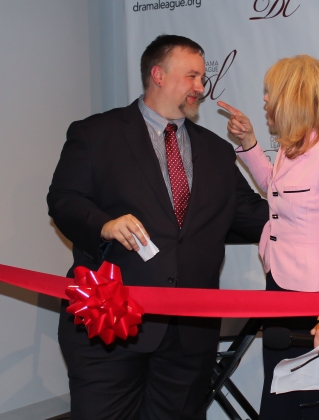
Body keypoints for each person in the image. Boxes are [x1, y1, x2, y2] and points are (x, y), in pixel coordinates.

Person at [47, 35, 268, 419]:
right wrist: (104, 225)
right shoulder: (96, 134)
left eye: (202, 78)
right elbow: (64, 201)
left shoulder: (216, 152)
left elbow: (258, 216)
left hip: (188, 338)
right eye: (193, 76)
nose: (201, 87)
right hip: (109, 328)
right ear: (159, 75)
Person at [217, 54, 319, 420]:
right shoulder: (289, 146)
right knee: (281, 393)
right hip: (280, 288)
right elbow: (274, 189)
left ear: (291, 95)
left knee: (316, 401)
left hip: (316, 298)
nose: (264, 100)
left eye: (270, 92)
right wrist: (249, 142)